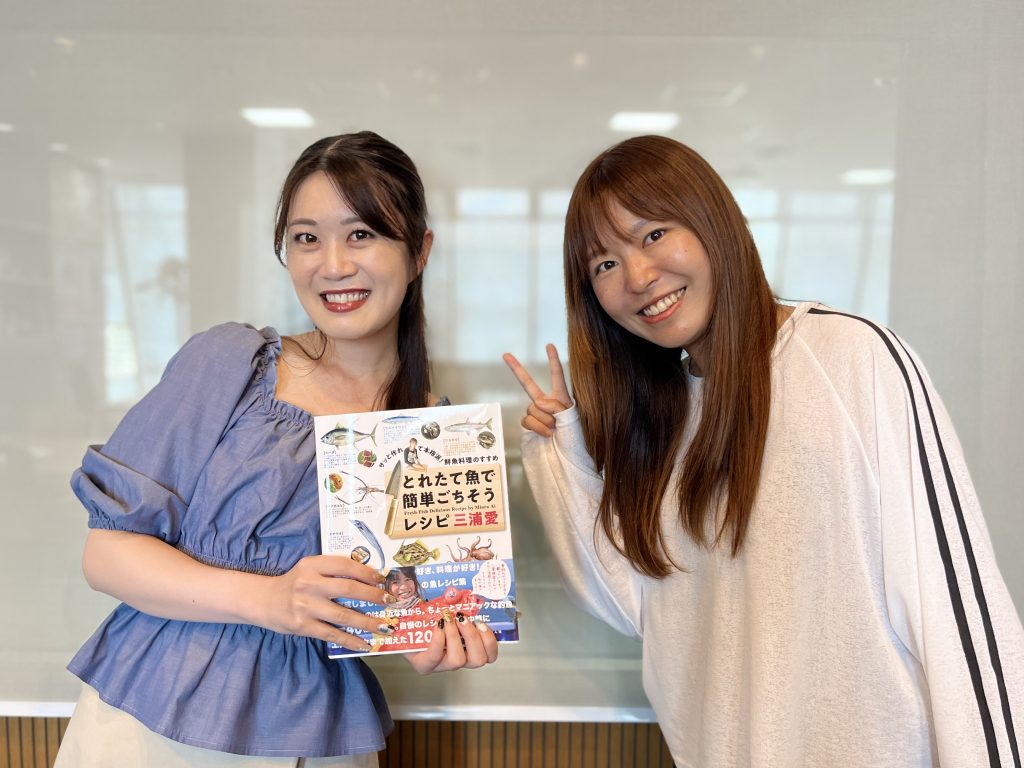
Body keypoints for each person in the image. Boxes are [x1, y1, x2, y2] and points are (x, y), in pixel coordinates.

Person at [504, 134, 1023, 767]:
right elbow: (633, 607)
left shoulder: (850, 358)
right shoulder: (663, 419)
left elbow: (954, 610)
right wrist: (561, 455)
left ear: (713, 221)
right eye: (604, 265)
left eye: (654, 234)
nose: (638, 277)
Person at [57, 131, 497, 768]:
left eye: (361, 234)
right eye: (306, 238)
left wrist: (424, 642)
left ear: (419, 251)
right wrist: (268, 600)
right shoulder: (230, 363)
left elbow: (395, 611)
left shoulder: (435, 434)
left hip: (315, 731)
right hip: (155, 719)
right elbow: (106, 555)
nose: (333, 265)